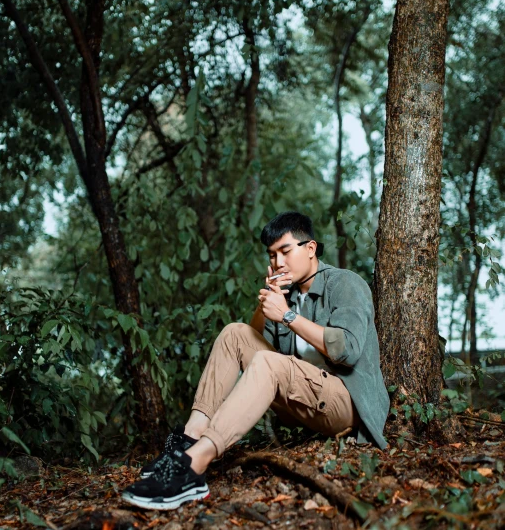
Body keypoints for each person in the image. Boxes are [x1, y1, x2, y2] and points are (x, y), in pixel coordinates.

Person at [122, 211, 389, 510]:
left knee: (266, 361)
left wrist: (289, 316)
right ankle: (189, 439)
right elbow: (255, 341)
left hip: (346, 404)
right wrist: (269, 303)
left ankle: (193, 467)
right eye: (272, 255)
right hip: (304, 399)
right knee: (234, 332)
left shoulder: (344, 283)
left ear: (310, 249)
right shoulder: (287, 295)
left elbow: (348, 350)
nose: (278, 262)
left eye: (285, 251)